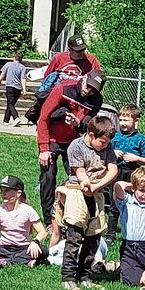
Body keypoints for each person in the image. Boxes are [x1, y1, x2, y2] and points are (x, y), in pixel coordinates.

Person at [60, 115, 120, 289]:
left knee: (93, 237)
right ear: (91, 135)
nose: (105, 145)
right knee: (75, 237)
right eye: (102, 142)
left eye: (108, 142)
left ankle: (85, 275)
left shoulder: (108, 147)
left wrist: (97, 186)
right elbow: (79, 172)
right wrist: (86, 183)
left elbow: (113, 170)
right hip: (77, 192)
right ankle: (68, 277)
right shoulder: (76, 146)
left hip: (97, 193)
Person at [36, 73, 106, 215]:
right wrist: (44, 148)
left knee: (78, 176)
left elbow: (88, 124)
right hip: (52, 139)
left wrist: (78, 124)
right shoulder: (64, 88)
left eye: (94, 90)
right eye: (88, 86)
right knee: (48, 178)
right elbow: (42, 119)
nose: (89, 91)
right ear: (85, 77)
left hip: (74, 142)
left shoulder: (96, 100)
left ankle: (76, 212)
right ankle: (50, 218)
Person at [0, 175, 46, 266]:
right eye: (2, 191)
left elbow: (42, 232)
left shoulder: (28, 210)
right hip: (4, 247)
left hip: (23, 247)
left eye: (7, 191)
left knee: (43, 249)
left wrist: (36, 241)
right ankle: (24, 261)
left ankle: (2, 261)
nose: (3, 194)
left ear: (18, 193)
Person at [113, 168, 145, 286]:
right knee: (132, 281)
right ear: (133, 188)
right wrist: (132, 184)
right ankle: (142, 274)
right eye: (141, 190)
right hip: (129, 247)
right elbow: (118, 186)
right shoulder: (126, 202)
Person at [112, 104, 145, 178]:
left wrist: (136, 158)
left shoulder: (141, 139)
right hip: (115, 169)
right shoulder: (114, 136)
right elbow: (105, 152)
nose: (122, 123)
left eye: (126, 120)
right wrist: (113, 153)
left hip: (133, 172)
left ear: (136, 121)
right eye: (120, 120)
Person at [1, 50, 27, 125]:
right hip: (18, 88)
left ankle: (16, 118)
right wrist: (24, 89)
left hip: (10, 86)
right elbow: (23, 79)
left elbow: (3, 73)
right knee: (11, 103)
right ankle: (6, 120)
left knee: (10, 103)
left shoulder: (8, 64)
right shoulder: (23, 67)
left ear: (14, 57)